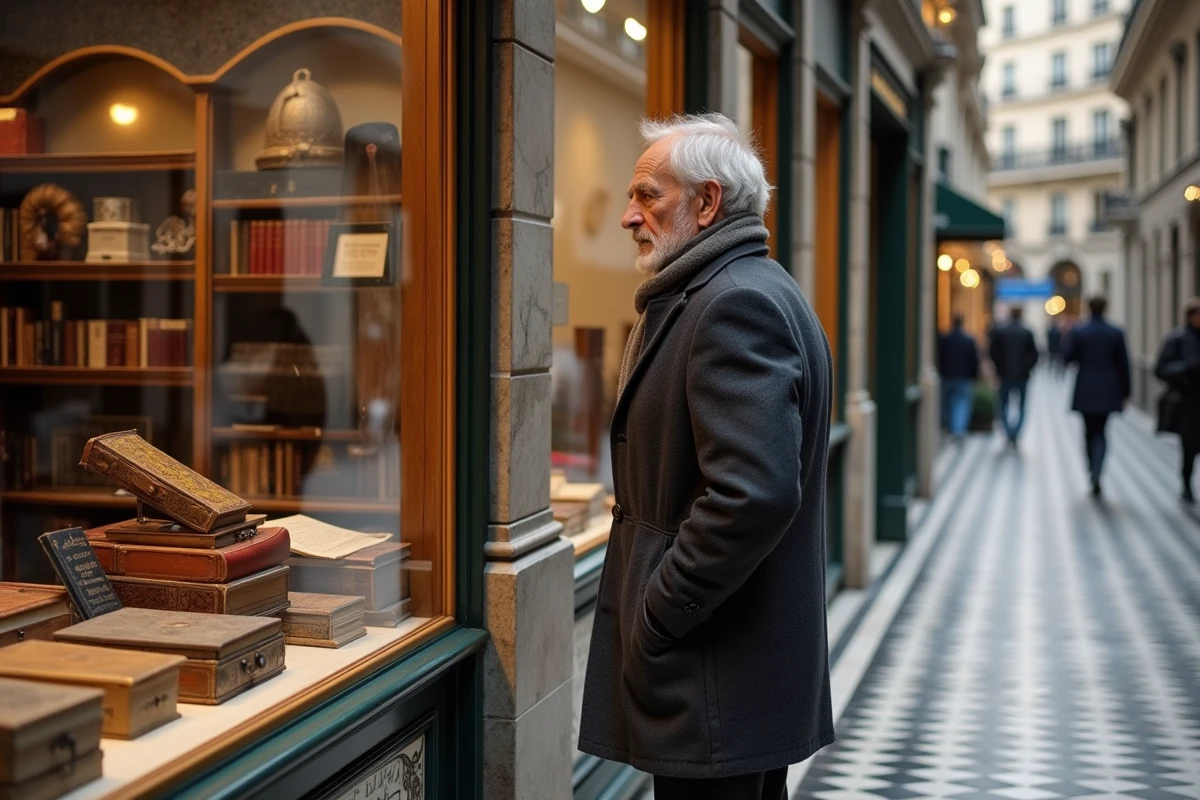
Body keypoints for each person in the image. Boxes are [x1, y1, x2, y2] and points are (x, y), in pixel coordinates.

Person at [577, 113, 834, 799]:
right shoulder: (742, 287)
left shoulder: (734, 303)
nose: (630, 216)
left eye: (648, 195)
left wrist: (659, 610)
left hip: (717, 672)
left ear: (708, 201)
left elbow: (753, 494)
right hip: (729, 675)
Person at [1063, 296, 1131, 498]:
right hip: (1109, 389)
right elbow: (1123, 365)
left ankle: (1092, 468)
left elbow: (1068, 357)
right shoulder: (1116, 333)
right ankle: (1098, 470)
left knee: (1088, 430)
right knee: (1102, 431)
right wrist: (1126, 392)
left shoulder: (1079, 331)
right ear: (1106, 308)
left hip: (1085, 387)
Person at [1154, 297, 1200, 503]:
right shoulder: (1177, 339)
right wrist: (1186, 367)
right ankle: (1187, 483)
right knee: (1189, 446)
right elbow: (1160, 368)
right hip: (1188, 401)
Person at [989, 305, 1039, 445]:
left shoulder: (1001, 331)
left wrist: (999, 368)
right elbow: (1034, 354)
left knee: (1003, 404)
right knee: (1021, 406)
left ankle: (1009, 431)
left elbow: (993, 352)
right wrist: (1028, 367)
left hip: (1005, 374)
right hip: (1022, 375)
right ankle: (1015, 432)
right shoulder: (1026, 332)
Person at [938, 314, 980, 440]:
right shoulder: (968, 340)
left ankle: (952, 428)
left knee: (949, 404)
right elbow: (974, 361)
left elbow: (941, 357)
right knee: (962, 405)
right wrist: (974, 376)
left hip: (948, 376)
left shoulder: (946, 339)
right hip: (963, 377)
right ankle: (958, 430)